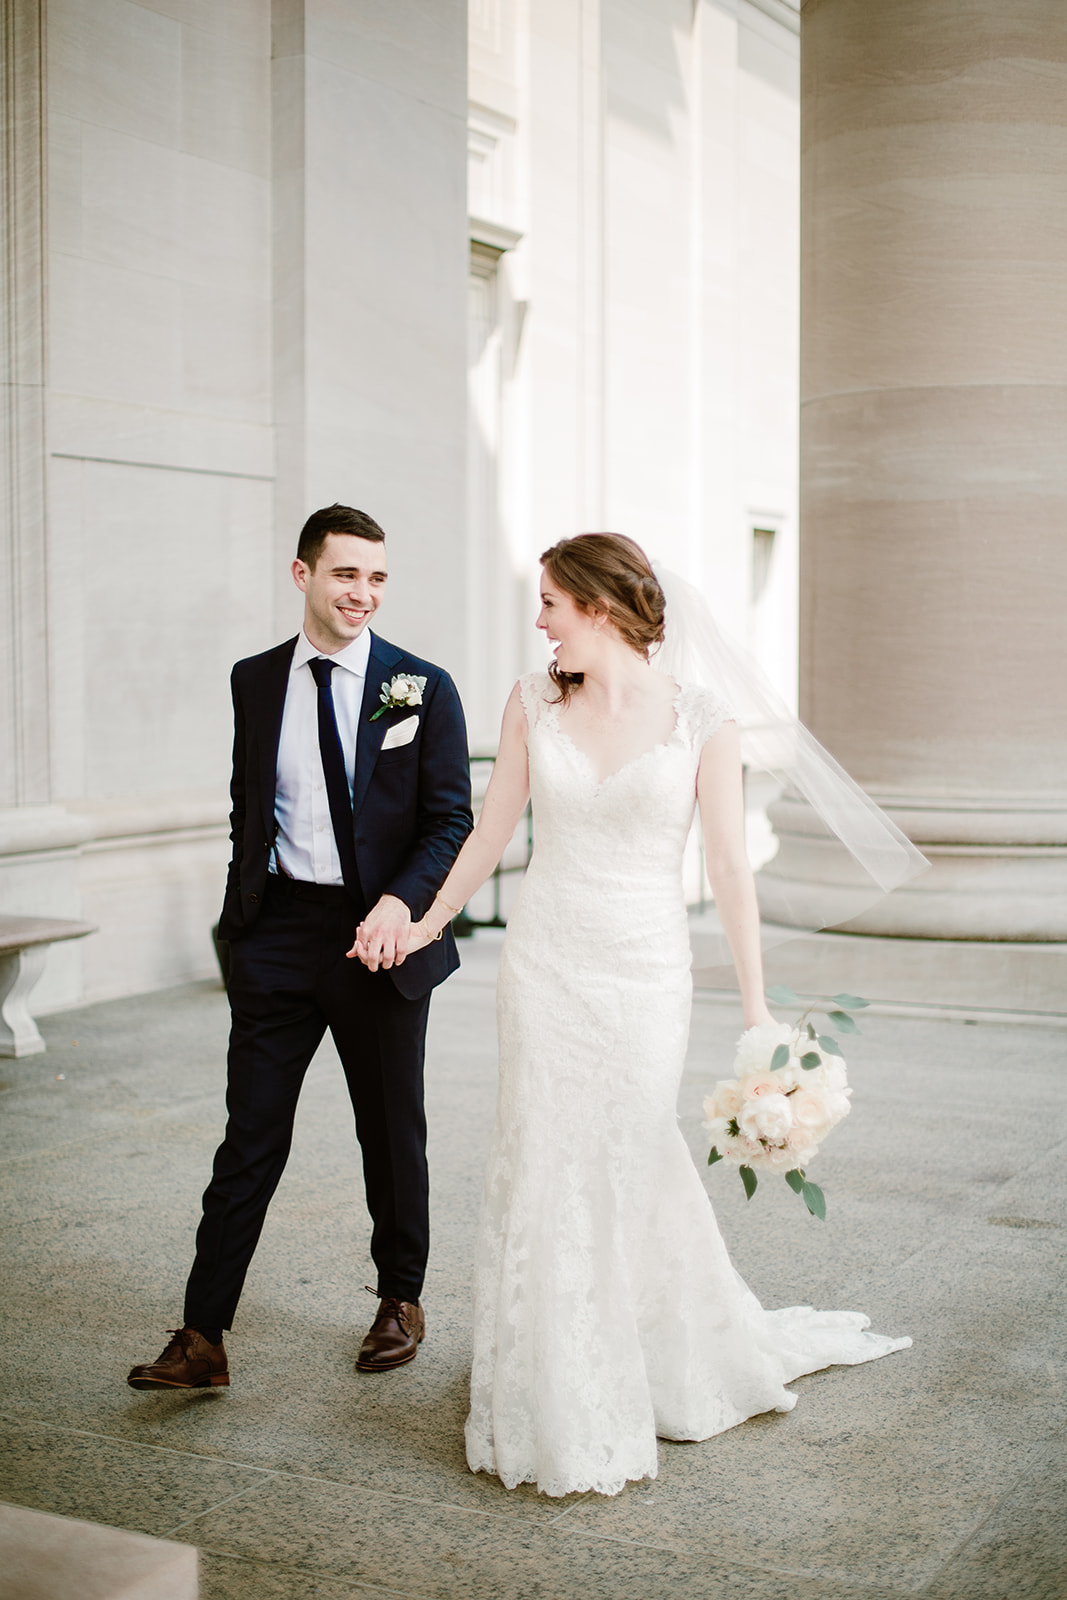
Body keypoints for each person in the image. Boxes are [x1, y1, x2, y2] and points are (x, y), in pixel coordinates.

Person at [354, 532, 910, 1497]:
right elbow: (492, 830)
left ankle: (645, 1351)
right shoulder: (533, 702)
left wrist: (755, 1009)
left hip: (646, 975)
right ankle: (552, 1379)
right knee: (542, 1156)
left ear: (597, 609)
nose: (538, 622)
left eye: (550, 605)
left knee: (626, 1151)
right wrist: (430, 919)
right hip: (546, 966)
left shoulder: (703, 720)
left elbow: (730, 868)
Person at [128, 504, 472, 1391]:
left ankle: (401, 1296)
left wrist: (400, 904)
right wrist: (243, 921)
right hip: (279, 935)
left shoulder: (420, 686)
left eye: (377, 578)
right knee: (249, 1137)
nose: (363, 593)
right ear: (303, 575)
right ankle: (202, 1334)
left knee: (390, 1131)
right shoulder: (254, 680)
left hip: (380, 939)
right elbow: (252, 806)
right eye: (346, 574)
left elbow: (449, 821)